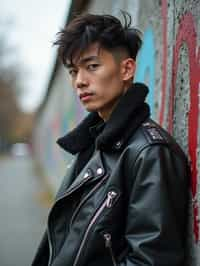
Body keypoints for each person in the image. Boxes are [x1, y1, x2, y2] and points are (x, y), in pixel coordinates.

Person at [32, 12, 189, 266]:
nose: (80, 81)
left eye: (92, 66)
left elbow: (151, 260)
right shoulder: (94, 144)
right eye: (73, 71)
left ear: (127, 69)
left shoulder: (150, 153)